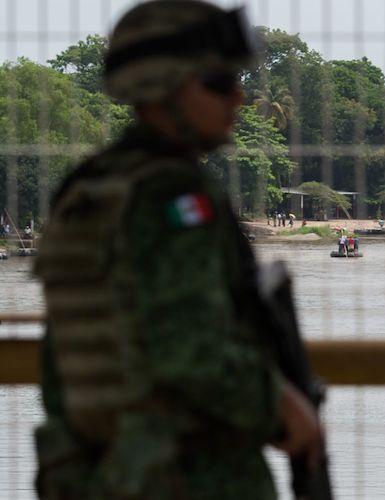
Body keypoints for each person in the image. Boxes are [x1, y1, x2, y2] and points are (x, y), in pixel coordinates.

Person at [32, 2, 322, 498]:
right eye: (217, 82)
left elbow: (65, 356)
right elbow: (188, 351)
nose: (238, 98)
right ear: (160, 89)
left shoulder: (90, 188)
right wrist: (279, 404)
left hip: (91, 472)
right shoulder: (174, 196)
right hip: (187, 474)